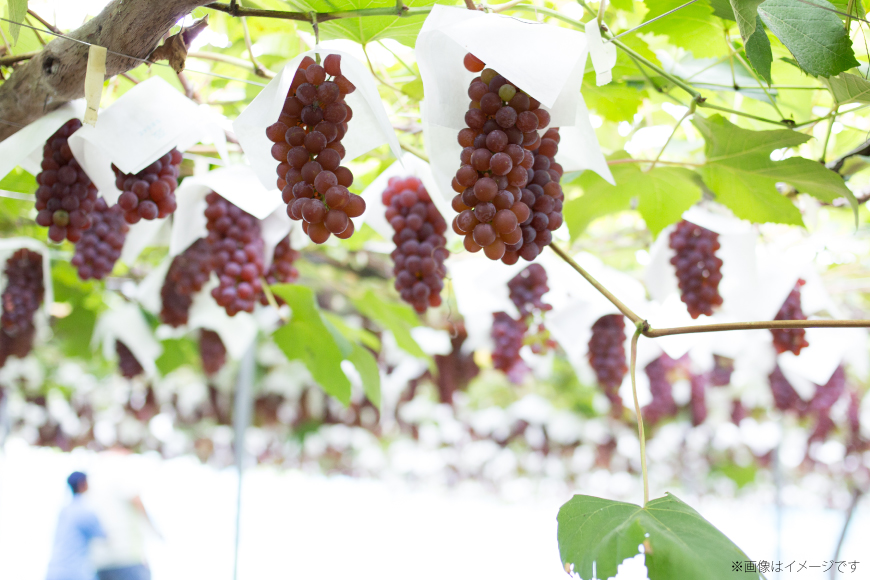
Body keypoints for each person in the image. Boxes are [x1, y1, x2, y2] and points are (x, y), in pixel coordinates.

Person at [45, 472, 106, 580]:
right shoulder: (85, 511)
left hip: (54, 569)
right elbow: (103, 536)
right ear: (82, 484)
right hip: (75, 571)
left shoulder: (65, 510)